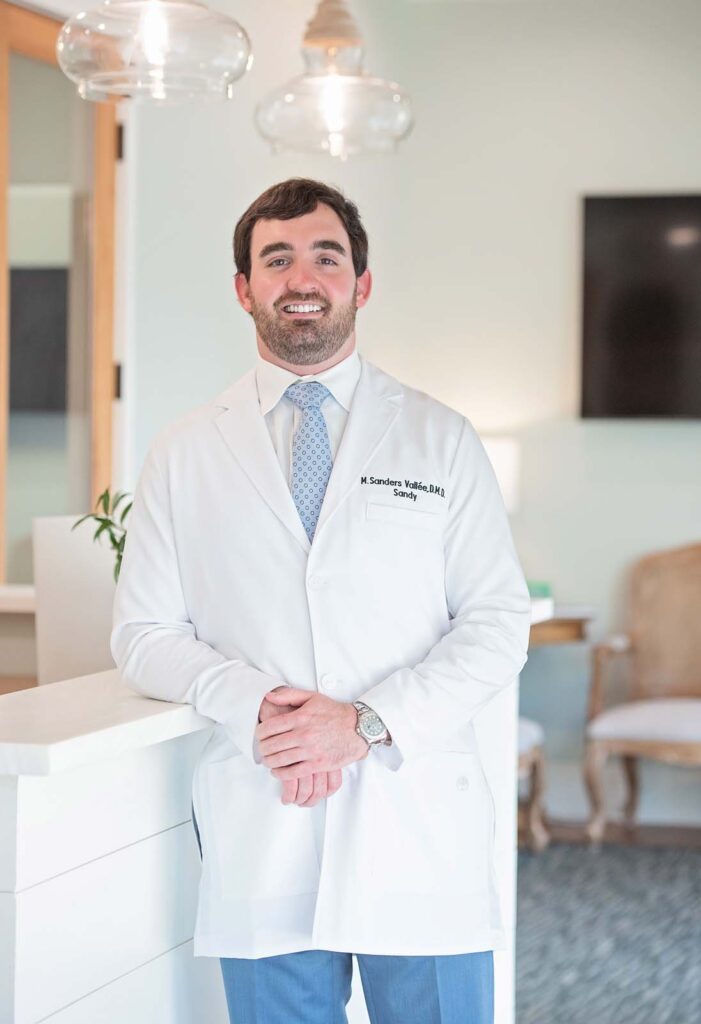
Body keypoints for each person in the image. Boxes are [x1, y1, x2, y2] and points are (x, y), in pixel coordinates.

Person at [110, 178, 531, 1024]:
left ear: (360, 285)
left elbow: (495, 623)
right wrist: (265, 710)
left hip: (415, 822)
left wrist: (363, 722)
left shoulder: (437, 435)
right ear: (244, 289)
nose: (302, 278)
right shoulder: (185, 449)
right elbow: (143, 633)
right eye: (276, 258)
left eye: (325, 257)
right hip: (266, 819)